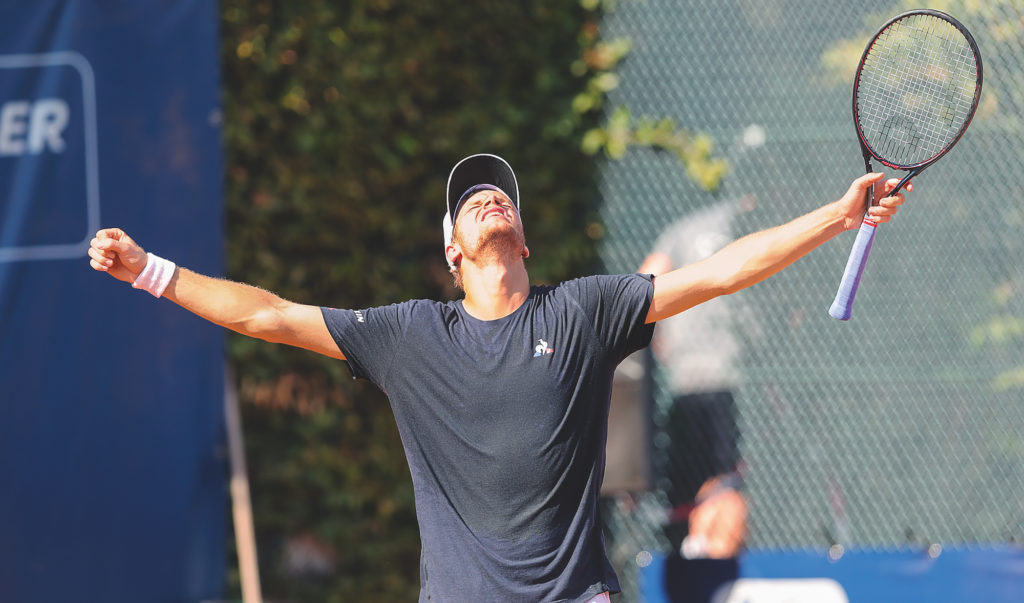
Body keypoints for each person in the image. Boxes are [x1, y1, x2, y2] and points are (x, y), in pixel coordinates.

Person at [88, 153, 907, 602]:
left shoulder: (584, 313)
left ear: (523, 237)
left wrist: (839, 215)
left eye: (500, 195)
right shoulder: (409, 335)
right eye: (470, 200)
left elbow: (723, 270)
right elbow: (266, 314)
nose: (488, 199)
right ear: (452, 251)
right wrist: (149, 270)